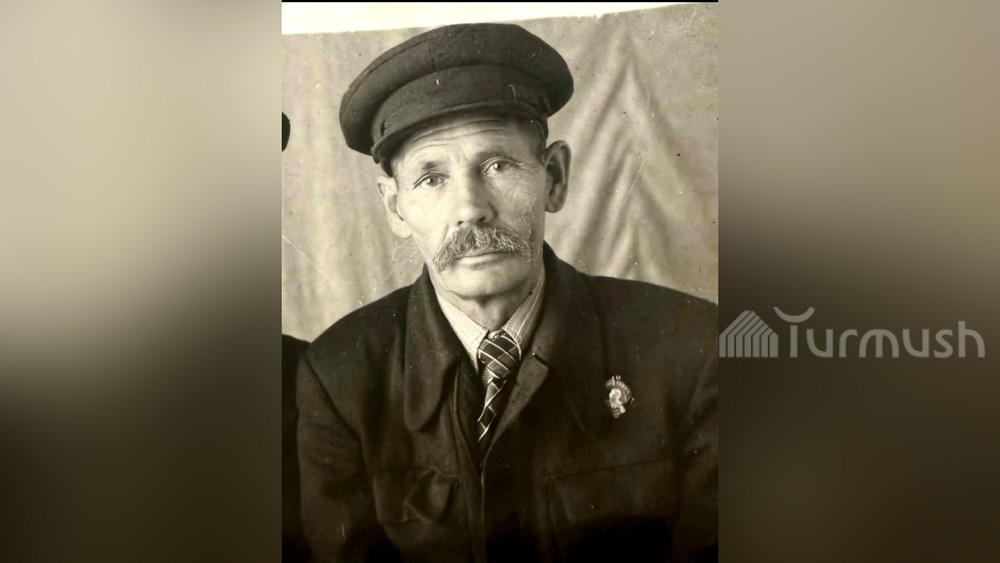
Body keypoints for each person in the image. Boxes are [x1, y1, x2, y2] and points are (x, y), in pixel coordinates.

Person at [296, 23, 717, 562]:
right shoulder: (340, 378)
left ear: (554, 177)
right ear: (395, 208)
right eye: (431, 179)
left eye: (497, 165)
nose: (470, 208)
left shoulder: (692, 350)